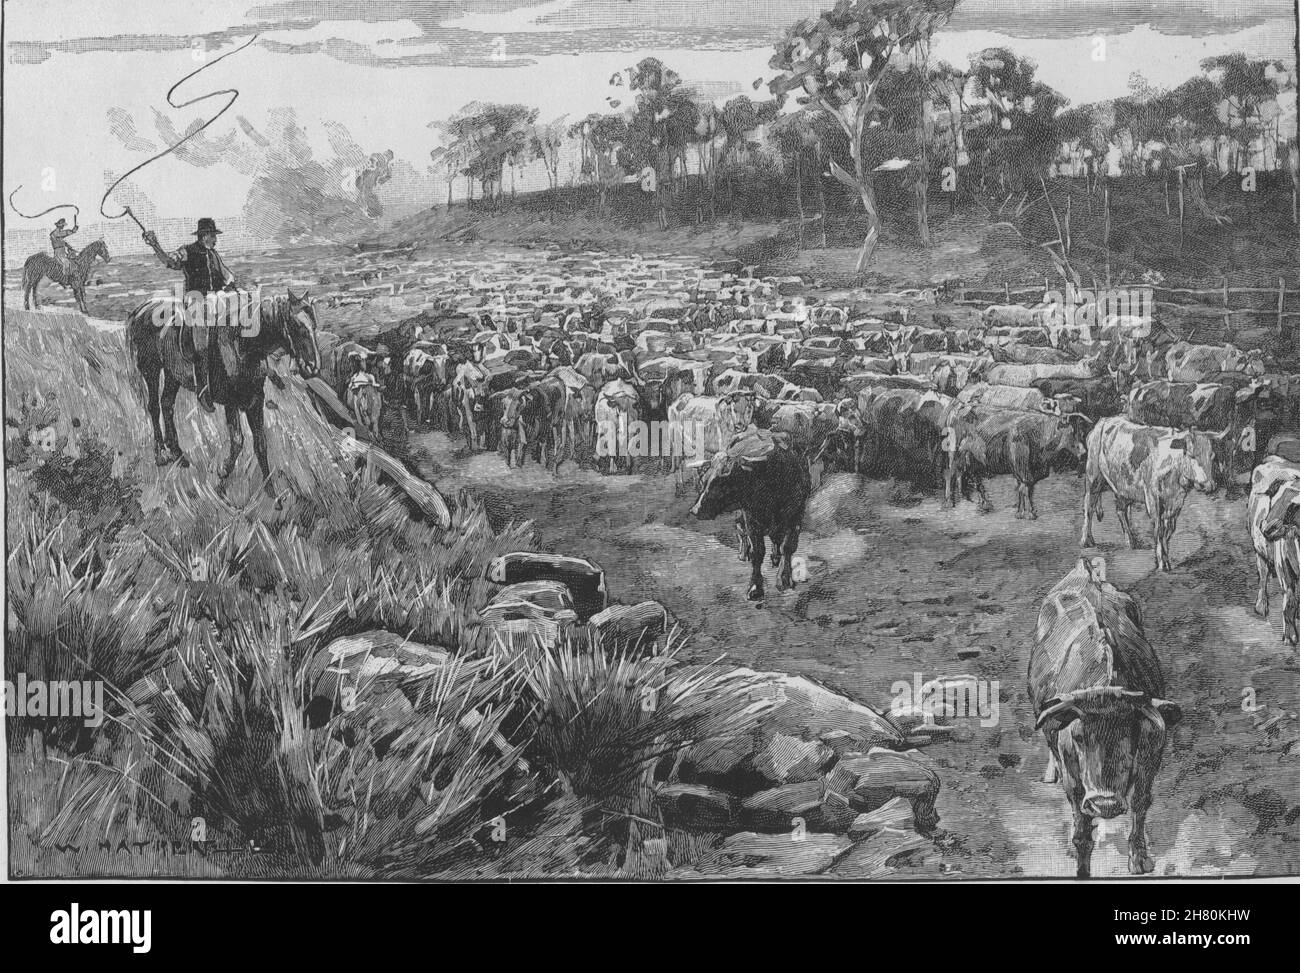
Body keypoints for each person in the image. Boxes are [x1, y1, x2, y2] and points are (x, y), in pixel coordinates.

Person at [143, 217, 244, 413]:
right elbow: (169, 262)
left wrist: (231, 282)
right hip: (195, 299)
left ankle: (233, 375)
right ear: (204, 236)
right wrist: (155, 245)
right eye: (213, 236)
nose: (215, 240)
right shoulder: (187, 251)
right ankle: (203, 388)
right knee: (201, 338)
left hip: (216, 299)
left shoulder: (213, 254)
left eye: (215, 236)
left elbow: (226, 274)